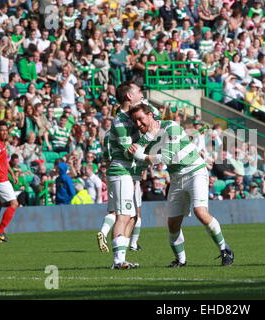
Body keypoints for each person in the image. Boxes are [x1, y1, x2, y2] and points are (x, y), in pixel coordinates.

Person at [128, 104, 234, 267]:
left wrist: (140, 156)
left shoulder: (171, 127)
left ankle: (225, 250)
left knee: (200, 212)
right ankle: (181, 260)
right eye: (135, 122)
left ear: (150, 115)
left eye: (140, 119)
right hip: (177, 178)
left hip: (195, 171)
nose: (138, 125)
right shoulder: (146, 136)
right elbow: (136, 154)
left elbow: (166, 157)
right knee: (172, 222)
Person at [96, 82, 148, 269]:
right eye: (138, 91)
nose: (141, 94)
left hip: (131, 173)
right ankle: (117, 260)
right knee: (123, 215)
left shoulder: (135, 115)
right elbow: (128, 152)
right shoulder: (119, 122)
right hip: (121, 172)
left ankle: (121, 259)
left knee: (132, 217)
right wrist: (149, 136)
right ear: (129, 96)